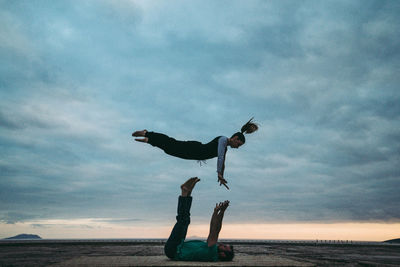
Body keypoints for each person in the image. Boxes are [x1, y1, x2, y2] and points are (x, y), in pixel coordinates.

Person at [132, 118, 259, 189]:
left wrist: (221, 175)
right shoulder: (223, 139)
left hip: (192, 154)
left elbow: (223, 161)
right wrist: (219, 173)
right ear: (236, 138)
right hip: (193, 149)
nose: (237, 147)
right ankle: (148, 133)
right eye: (238, 144)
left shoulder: (225, 147)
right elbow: (220, 158)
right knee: (171, 144)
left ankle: (150, 140)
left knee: (169, 150)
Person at [164, 177, 234, 262]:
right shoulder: (212, 250)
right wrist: (221, 212)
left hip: (173, 249)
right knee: (185, 220)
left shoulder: (212, 253)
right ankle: (187, 192)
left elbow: (214, 230)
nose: (222, 244)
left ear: (223, 254)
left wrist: (217, 212)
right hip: (177, 246)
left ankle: (185, 192)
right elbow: (216, 228)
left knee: (182, 221)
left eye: (225, 247)